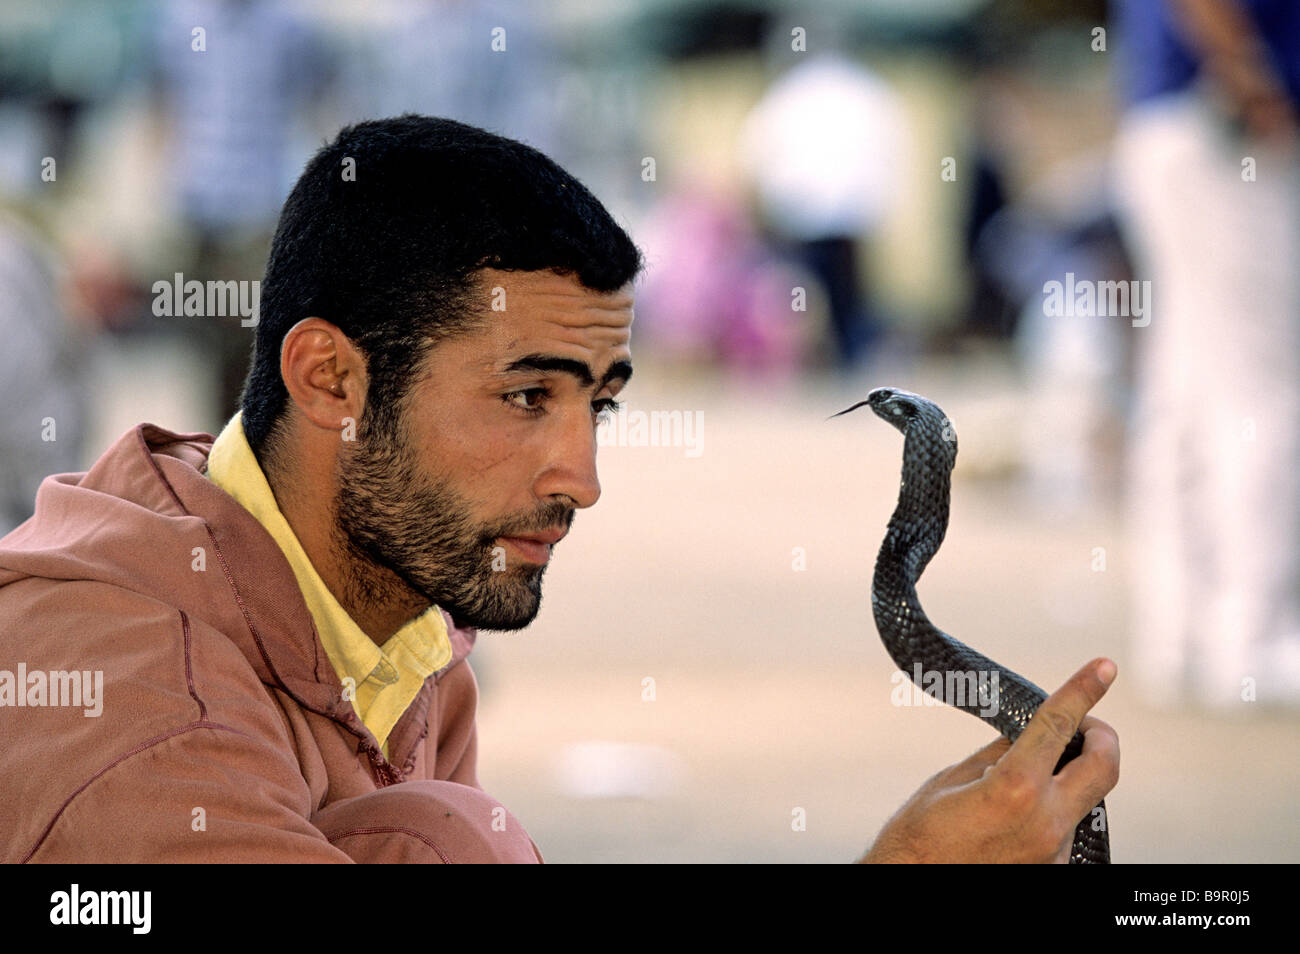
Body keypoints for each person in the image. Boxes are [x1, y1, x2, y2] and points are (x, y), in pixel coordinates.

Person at [0, 115, 1118, 863]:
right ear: (330, 378)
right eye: (526, 398)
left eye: (602, 404)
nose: (581, 480)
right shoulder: (148, 714)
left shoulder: (383, 597)